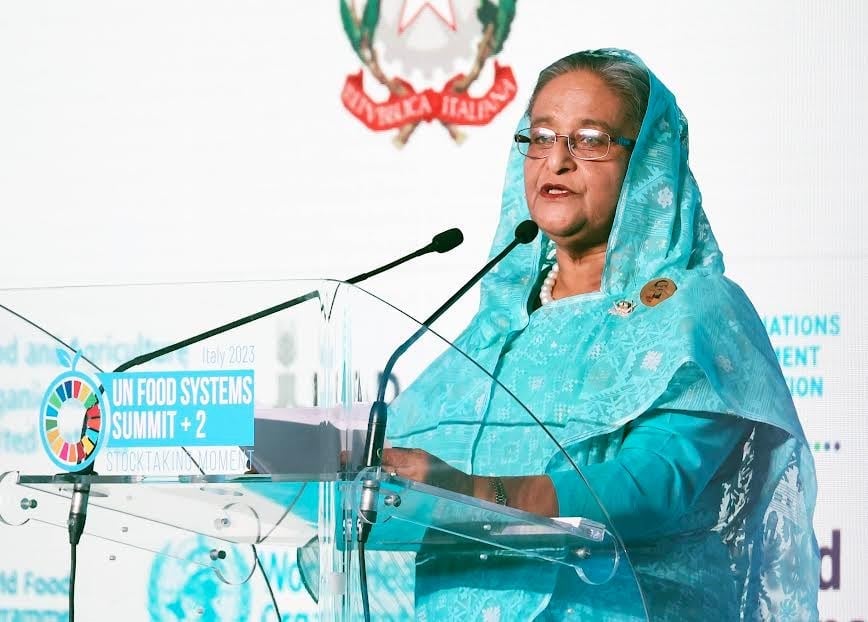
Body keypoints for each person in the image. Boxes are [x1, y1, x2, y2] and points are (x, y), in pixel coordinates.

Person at [378, 49, 820, 620]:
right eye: (541, 137)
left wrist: (475, 493)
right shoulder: (497, 329)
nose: (556, 161)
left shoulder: (695, 311)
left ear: (648, 163)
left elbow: (650, 486)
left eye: (589, 140)